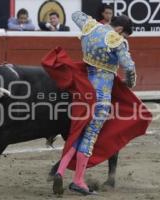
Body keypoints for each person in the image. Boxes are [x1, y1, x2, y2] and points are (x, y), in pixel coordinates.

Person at [52, 11, 136, 196]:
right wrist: (129, 84)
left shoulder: (90, 27)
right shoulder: (117, 41)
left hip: (83, 92)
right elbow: (129, 67)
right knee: (88, 137)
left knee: (76, 134)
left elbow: (75, 15)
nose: (123, 38)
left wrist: (96, 23)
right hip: (100, 97)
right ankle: (78, 181)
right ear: (120, 29)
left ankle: (60, 171)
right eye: (124, 34)